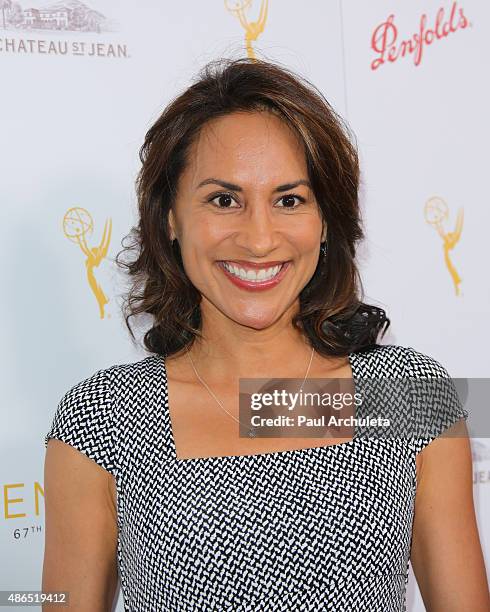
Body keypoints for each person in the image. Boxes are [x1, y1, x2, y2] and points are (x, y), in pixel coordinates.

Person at [42, 57, 489, 611]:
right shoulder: (104, 420)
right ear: (169, 219)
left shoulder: (407, 394)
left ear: (326, 221)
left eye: (289, 200)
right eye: (223, 200)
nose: (258, 240)